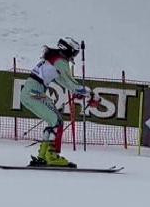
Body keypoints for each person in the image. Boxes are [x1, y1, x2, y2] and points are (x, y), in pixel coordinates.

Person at [20, 37, 98, 167]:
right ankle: (52, 156)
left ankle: (43, 156)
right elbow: (70, 83)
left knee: (56, 121)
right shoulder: (61, 62)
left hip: (33, 92)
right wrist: (90, 94)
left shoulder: (54, 57)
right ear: (68, 50)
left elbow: (62, 81)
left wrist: (77, 91)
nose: (74, 56)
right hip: (33, 93)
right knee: (56, 121)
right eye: (74, 52)